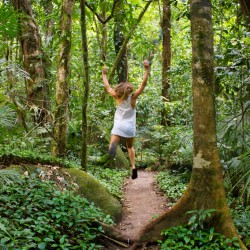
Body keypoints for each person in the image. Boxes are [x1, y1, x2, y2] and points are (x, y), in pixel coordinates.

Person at [102, 60, 150, 179]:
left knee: (113, 143)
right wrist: (147, 69)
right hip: (129, 127)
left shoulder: (117, 97)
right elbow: (143, 84)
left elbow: (107, 87)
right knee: (129, 147)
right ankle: (133, 166)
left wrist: (104, 75)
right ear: (129, 90)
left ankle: (113, 149)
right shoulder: (133, 98)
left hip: (118, 126)